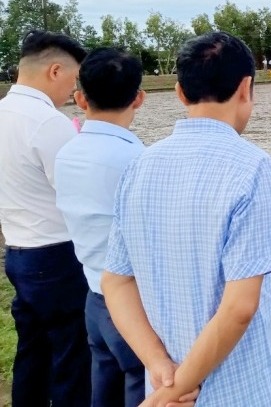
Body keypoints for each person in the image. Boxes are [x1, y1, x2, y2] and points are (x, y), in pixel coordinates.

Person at [102, 32, 271, 406]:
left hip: (165, 381)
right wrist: (175, 391)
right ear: (245, 88)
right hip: (236, 391)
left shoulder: (140, 165)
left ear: (180, 93)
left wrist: (159, 367)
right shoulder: (252, 166)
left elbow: (116, 281)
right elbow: (239, 307)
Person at [55, 48, 196, 407]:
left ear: (80, 98)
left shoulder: (66, 154)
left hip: (93, 297)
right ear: (139, 98)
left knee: (103, 388)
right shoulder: (138, 161)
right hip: (134, 308)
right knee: (141, 388)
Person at [0, 29, 91, 406]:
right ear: (55, 70)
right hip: (56, 256)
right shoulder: (47, 122)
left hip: (17, 252)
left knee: (32, 354)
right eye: (73, 79)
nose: (72, 91)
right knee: (72, 359)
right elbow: (78, 194)